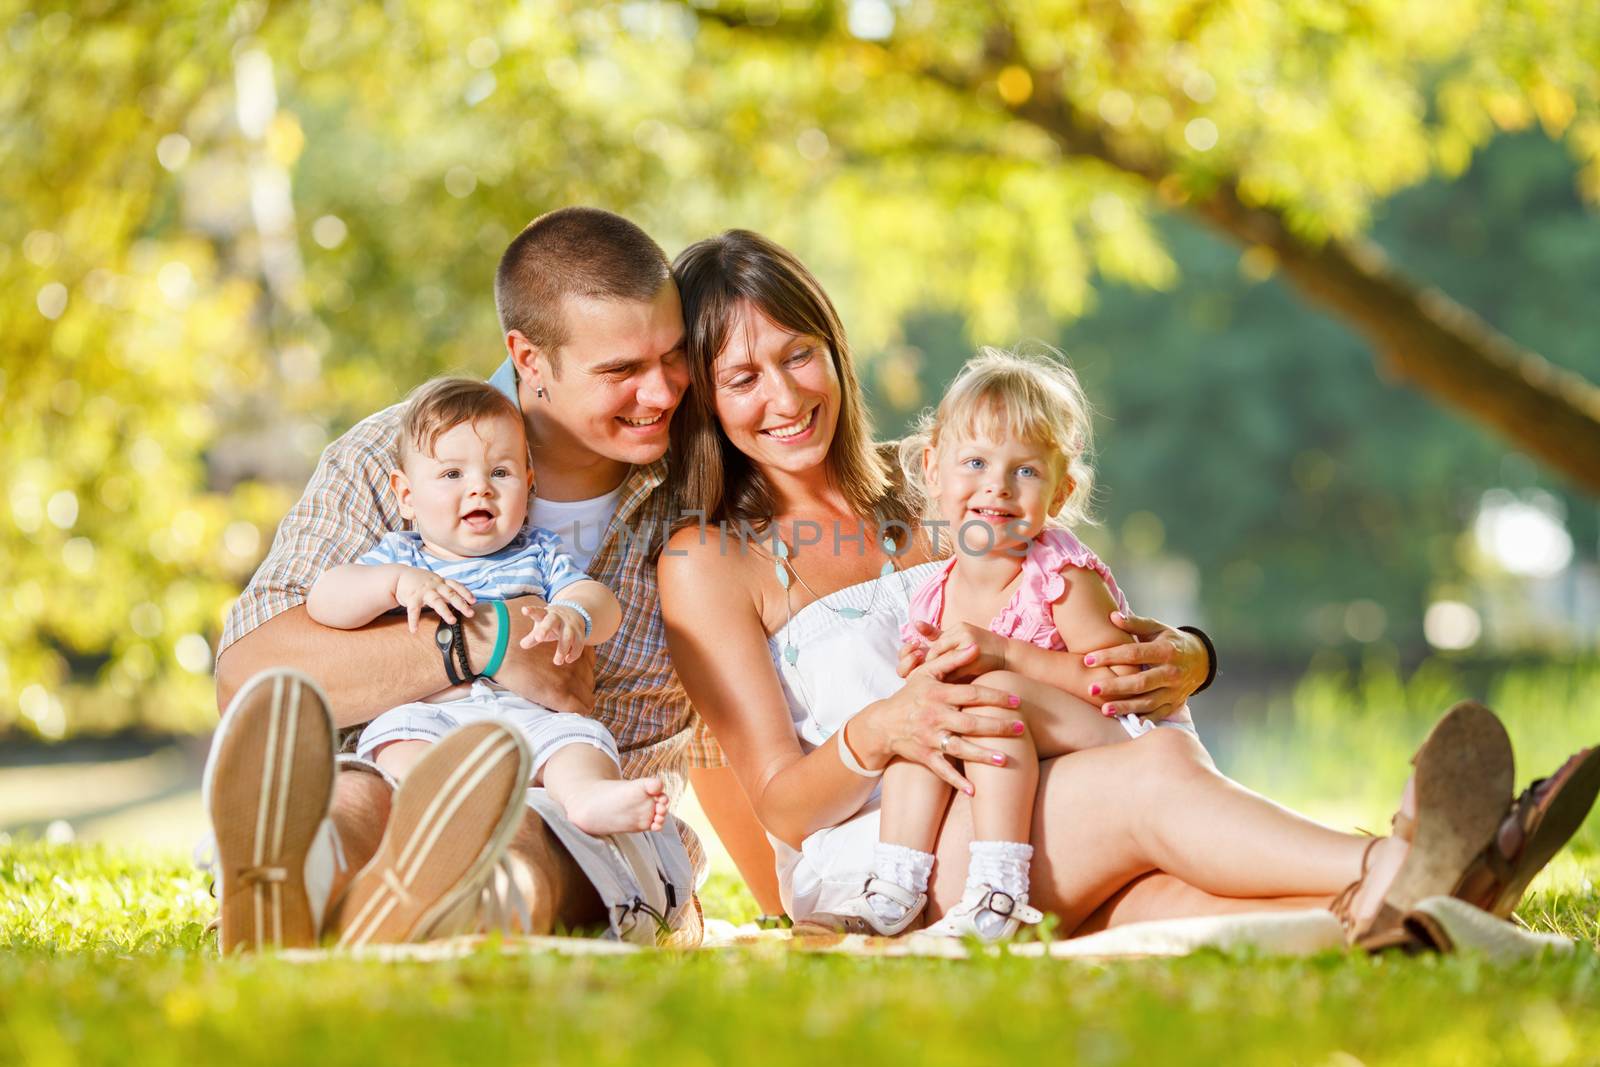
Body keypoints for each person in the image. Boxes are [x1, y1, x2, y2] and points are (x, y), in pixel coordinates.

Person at [657, 227, 1598, 946]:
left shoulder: (936, 478)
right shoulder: (708, 560)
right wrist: (884, 726)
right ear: (702, 395)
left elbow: (1073, 606)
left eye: (797, 354)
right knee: (1152, 781)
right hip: (888, 850)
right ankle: (1397, 859)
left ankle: (1443, 914)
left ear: (834, 349)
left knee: (1169, 901)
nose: (782, 396)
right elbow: (779, 803)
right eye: (740, 376)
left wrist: (1188, 654)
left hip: (1028, 794)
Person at [209, 208, 712, 949]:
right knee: (356, 794)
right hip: (397, 758)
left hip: (587, 805)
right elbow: (250, 678)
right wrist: (488, 640)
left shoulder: (700, 474)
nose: (664, 391)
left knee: (529, 835)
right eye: (622, 371)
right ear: (529, 358)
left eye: (672, 356)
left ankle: (435, 908)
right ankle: (296, 879)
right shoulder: (401, 454)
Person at [813, 347, 1202, 940]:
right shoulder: (935, 593)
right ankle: (894, 887)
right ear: (932, 468)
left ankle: (998, 892)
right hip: (1018, 751)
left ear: (1060, 493)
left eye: (1025, 471)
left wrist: (1005, 654)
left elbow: (1115, 685)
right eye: (974, 461)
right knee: (918, 723)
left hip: (1116, 742)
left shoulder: (1061, 577)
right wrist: (922, 673)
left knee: (993, 694)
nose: (996, 487)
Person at [306, 376, 669, 837]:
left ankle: (586, 797)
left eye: (500, 472)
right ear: (407, 496)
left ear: (528, 486)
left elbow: (601, 602)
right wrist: (393, 585)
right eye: (452, 474)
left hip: (527, 715)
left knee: (580, 740)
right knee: (395, 737)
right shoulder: (403, 556)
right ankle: (435, 802)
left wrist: (574, 614)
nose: (480, 489)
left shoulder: (537, 551)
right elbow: (325, 600)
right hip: (432, 714)